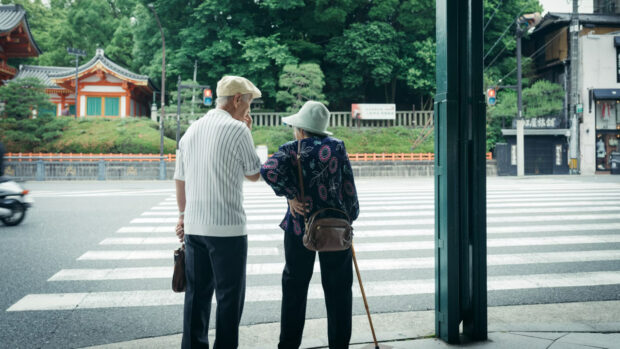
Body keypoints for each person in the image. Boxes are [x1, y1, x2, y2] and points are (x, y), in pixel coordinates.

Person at [260, 101, 360, 349]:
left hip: (300, 227)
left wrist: (291, 195)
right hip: (336, 228)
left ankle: (288, 345)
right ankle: (339, 345)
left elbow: (268, 170)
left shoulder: (292, 149)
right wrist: (350, 216)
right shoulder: (337, 147)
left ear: (302, 129)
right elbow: (349, 186)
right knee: (339, 291)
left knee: (295, 288)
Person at [174, 75, 262, 349]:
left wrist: (182, 217)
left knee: (196, 297)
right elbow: (254, 174)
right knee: (229, 299)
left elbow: (180, 178)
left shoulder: (192, 130)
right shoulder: (238, 130)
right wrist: (247, 131)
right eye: (249, 104)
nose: (249, 111)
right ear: (237, 100)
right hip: (227, 230)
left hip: (195, 228)